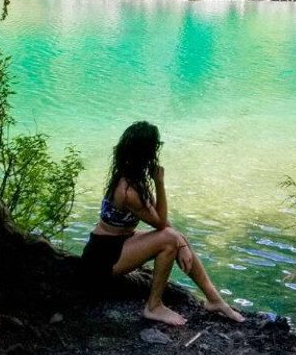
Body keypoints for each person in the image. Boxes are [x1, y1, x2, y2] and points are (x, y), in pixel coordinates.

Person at [80, 121, 245, 325]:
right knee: (169, 239)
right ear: (147, 152)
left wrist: (182, 243)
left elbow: (163, 222)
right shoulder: (128, 190)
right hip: (101, 260)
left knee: (176, 236)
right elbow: (160, 224)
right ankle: (154, 307)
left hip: (115, 244)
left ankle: (215, 300)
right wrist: (159, 183)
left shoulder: (132, 177)